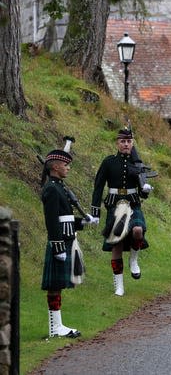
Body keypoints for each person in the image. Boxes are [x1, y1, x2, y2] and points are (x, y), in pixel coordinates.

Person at [41, 144, 98, 338]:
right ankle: (54, 328)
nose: (68, 168)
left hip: (67, 238)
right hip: (60, 242)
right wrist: (57, 247)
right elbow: (52, 221)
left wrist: (84, 221)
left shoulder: (59, 188)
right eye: (66, 164)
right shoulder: (51, 189)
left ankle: (58, 326)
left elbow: (67, 218)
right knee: (54, 285)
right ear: (55, 167)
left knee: (58, 286)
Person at [91, 129, 153, 296]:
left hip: (133, 205)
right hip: (115, 205)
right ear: (117, 144)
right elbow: (98, 187)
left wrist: (145, 189)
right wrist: (95, 212)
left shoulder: (137, 164)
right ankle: (119, 286)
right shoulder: (109, 162)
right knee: (116, 243)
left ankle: (134, 260)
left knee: (138, 230)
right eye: (122, 142)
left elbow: (142, 192)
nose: (126, 144)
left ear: (132, 144)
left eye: (129, 142)